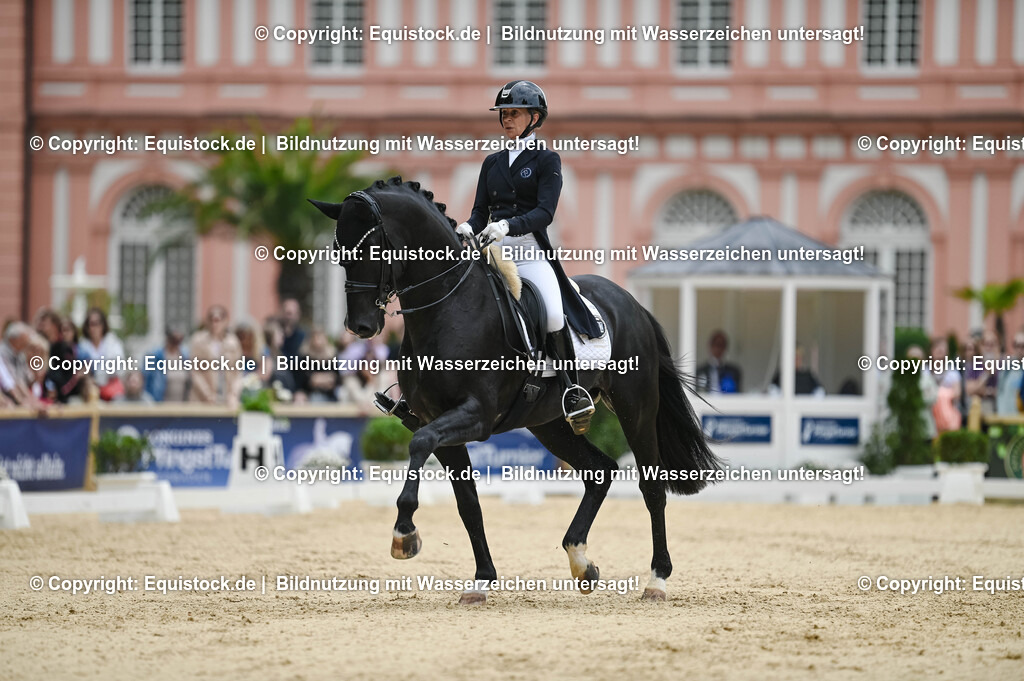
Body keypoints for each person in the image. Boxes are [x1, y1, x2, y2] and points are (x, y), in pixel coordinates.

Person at [455, 80, 603, 435]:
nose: (507, 119)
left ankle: (571, 390)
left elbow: (545, 213)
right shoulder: (492, 162)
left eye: (514, 113)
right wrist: (466, 227)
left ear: (534, 117)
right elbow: (480, 212)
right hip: (494, 253)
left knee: (553, 313)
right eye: (504, 114)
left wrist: (508, 225)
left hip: (531, 255)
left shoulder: (546, 159)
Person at [188, 304, 242, 408]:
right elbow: (195, 372)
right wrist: (207, 394)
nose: (215, 324)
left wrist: (234, 394)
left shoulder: (233, 342)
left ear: (225, 321)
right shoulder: (198, 341)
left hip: (226, 400)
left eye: (218, 320)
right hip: (202, 400)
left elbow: (238, 372)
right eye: (212, 320)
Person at [78, 307, 127, 401]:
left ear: (103, 325)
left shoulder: (113, 343)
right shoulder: (82, 346)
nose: (94, 328)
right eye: (91, 324)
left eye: (97, 323)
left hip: (111, 392)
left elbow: (119, 369)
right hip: (88, 392)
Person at [144, 327, 190, 402]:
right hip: (161, 405)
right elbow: (147, 383)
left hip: (181, 405)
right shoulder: (155, 356)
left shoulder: (185, 355)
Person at [996, 331, 1024, 415]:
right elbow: (1000, 393)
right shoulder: (1006, 369)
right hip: (1008, 417)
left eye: (1023, 346)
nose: (1020, 349)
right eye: (1017, 346)